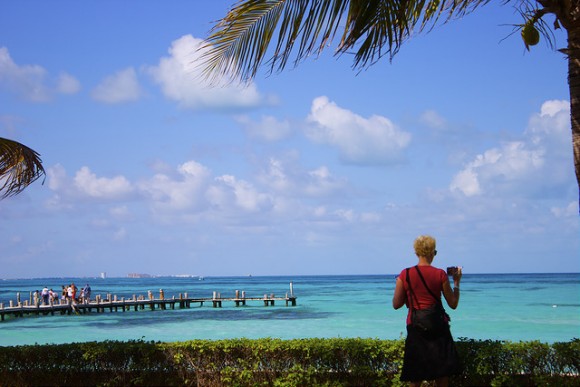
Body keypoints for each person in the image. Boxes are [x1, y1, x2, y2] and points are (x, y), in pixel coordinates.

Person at [392, 235, 462, 387]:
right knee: (442, 375)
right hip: (437, 327)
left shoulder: (405, 274)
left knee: (415, 375)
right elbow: (453, 303)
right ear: (431, 253)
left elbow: (396, 304)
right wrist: (456, 283)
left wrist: (407, 290)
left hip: (415, 326)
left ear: (417, 253)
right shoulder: (440, 274)